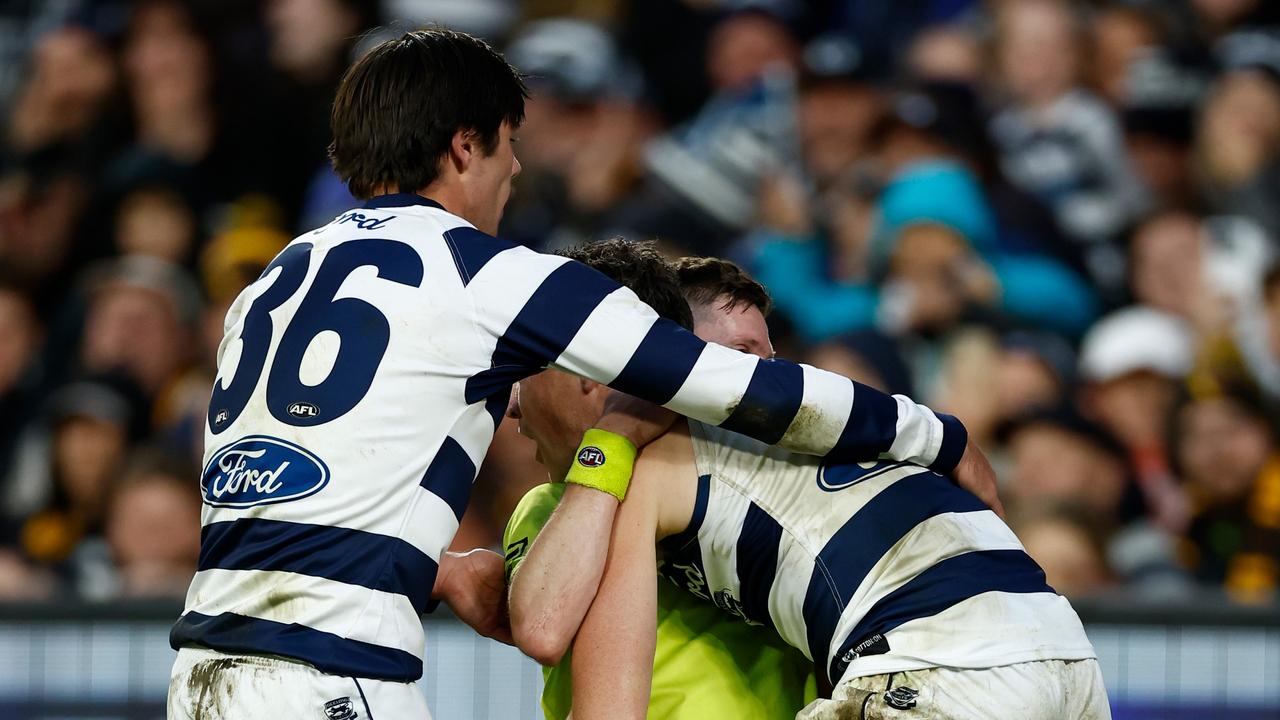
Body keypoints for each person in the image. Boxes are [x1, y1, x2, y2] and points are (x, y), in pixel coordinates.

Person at [165, 29, 995, 719]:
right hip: (330, 677)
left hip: (200, 674)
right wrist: (932, 432)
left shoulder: (271, 281)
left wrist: (440, 565)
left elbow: (276, 487)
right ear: (464, 146)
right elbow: (721, 382)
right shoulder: (489, 275)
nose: (516, 171)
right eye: (508, 145)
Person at [506, 243, 1105, 718]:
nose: (510, 403)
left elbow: (565, 651)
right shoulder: (843, 423)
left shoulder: (652, 458)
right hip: (1066, 656)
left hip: (933, 666)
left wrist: (611, 443)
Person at [505, 249, 812, 719]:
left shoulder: (755, 482)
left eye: (525, 365)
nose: (512, 403)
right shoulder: (543, 507)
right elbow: (544, 625)